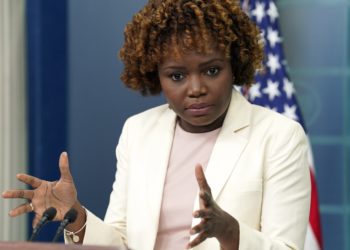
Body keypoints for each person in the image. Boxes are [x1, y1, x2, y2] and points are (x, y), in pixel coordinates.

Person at [2, 0, 311, 249]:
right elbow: (120, 241)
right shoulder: (138, 132)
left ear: (235, 65)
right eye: (177, 75)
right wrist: (77, 217)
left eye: (212, 70)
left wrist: (231, 233)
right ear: (155, 74)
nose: (196, 88)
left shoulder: (279, 136)